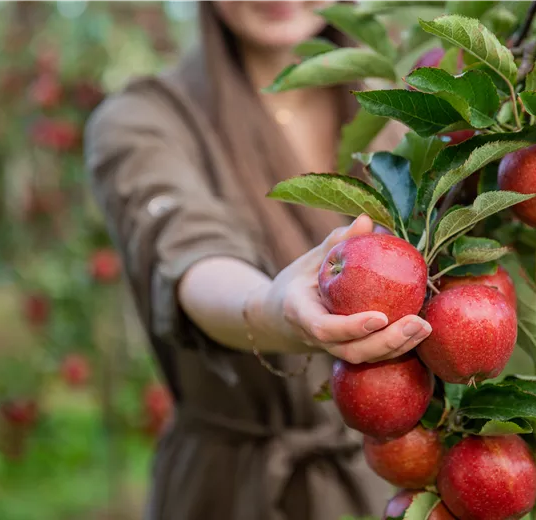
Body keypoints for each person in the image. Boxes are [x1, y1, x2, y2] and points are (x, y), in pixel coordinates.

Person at [83, 1, 434, 519]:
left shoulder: (412, 104)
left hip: (395, 476)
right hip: (231, 494)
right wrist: (269, 306)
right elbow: (192, 255)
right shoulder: (143, 120)